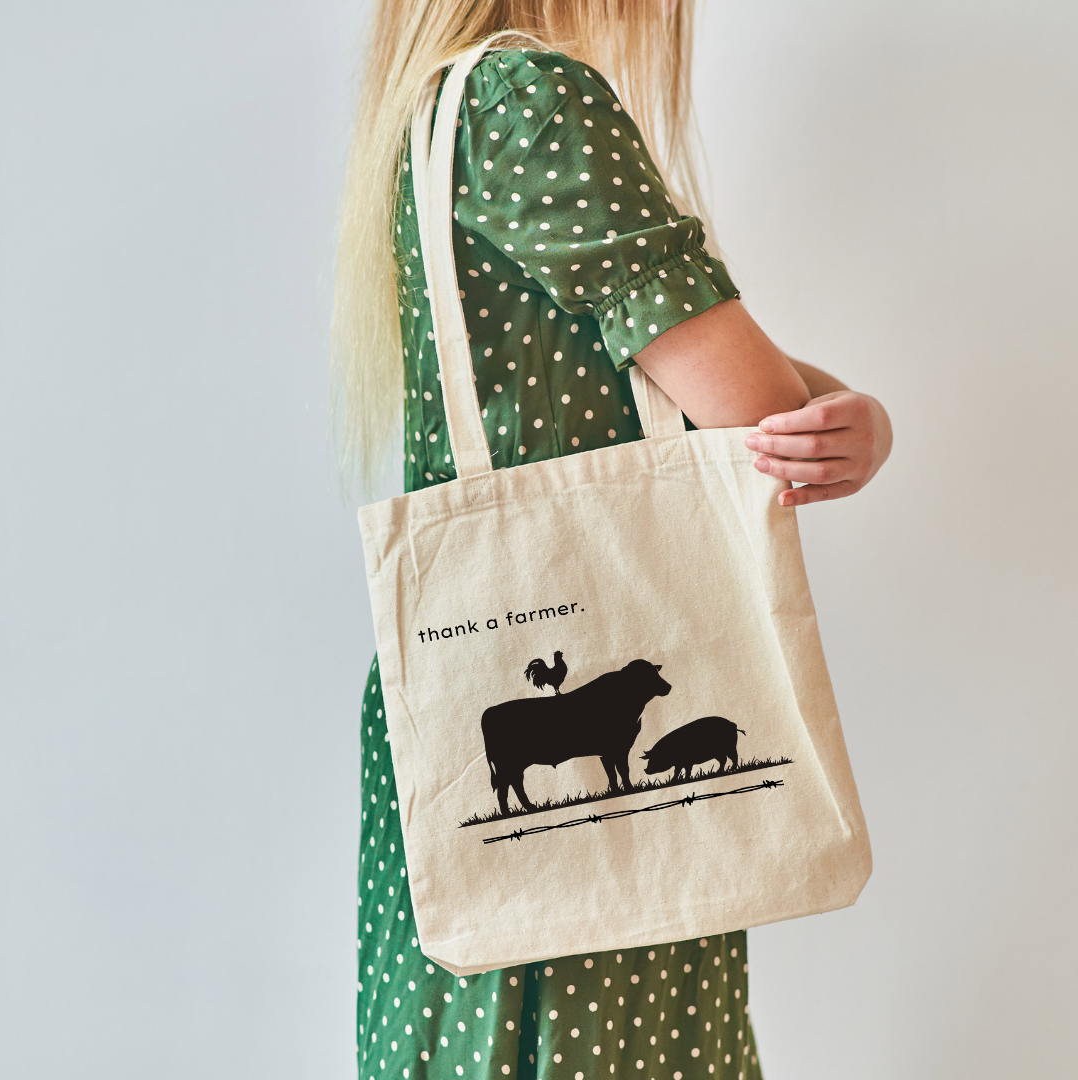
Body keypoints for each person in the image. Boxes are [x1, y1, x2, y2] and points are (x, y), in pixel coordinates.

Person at [333, 3, 892, 1078]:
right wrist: (856, 418)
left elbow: (705, 383)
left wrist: (813, 408)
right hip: (583, 673)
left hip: (451, 695)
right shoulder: (530, 98)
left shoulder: (436, 108)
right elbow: (758, 412)